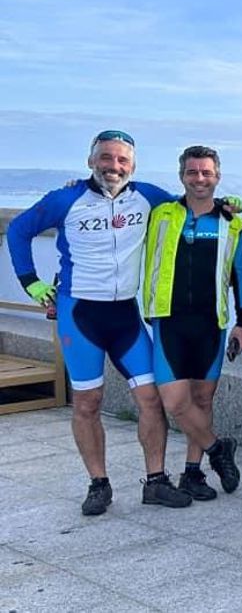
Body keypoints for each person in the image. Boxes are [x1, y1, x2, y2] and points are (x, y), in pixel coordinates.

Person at [7, 130, 208, 514]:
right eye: (105, 158)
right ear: (90, 161)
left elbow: (188, 209)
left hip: (125, 316)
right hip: (80, 313)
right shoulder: (66, 199)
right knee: (87, 401)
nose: (113, 166)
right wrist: (30, 281)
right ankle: (98, 484)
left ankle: (156, 481)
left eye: (121, 161)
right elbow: (18, 230)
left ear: (132, 166)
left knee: (151, 399)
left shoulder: (147, 196)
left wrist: (225, 205)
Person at [142, 145, 242, 501]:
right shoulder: (160, 214)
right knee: (175, 402)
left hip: (211, 323)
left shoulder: (231, 223)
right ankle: (219, 450)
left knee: (203, 400)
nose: (199, 179)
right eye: (192, 172)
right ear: (181, 176)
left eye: (206, 173)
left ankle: (193, 473)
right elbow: (124, 195)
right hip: (169, 321)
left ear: (217, 177)